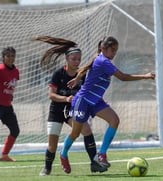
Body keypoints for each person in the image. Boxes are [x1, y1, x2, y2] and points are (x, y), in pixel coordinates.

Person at [60, 36, 155, 173]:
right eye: (113, 50)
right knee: (75, 133)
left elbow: (85, 69)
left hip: (96, 101)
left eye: (116, 51)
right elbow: (122, 77)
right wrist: (144, 76)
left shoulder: (100, 59)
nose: (114, 54)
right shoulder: (103, 61)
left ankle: (102, 154)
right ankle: (63, 155)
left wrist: (78, 78)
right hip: (82, 102)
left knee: (114, 120)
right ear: (104, 49)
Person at [32, 36, 107, 175]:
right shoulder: (58, 74)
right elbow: (51, 95)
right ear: (67, 59)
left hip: (71, 110)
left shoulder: (82, 75)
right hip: (56, 110)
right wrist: (66, 98)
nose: (77, 62)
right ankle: (47, 168)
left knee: (86, 130)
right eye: (74, 59)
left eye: (79, 59)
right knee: (52, 145)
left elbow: (88, 92)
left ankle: (94, 163)